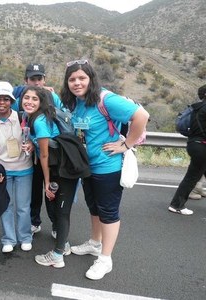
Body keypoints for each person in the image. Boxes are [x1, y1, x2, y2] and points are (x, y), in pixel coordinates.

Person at [61, 59, 149, 280]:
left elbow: (141, 116)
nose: (77, 83)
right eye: (72, 79)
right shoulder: (77, 102)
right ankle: (94, 243)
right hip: (88, 167)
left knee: (108, 212)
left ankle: (105, 259)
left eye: (82, 78)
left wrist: (126, 143)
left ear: (91, 79)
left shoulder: (105, 99)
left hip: (107, 167)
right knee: (94, 207)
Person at [20, 86, 80, 268]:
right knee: (53, 206)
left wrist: (46, 182)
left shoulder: (39, 120)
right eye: (26, 98)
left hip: (62, 169)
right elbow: (39, 143)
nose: (29, 102)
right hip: (57, 167)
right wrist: (31, 141)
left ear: (41, 102)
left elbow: (44, 155)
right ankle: (63, 244)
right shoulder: (35, 117)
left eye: (34, 99)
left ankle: (58, 254)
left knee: (61, 210)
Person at [13, 63, 62, 238]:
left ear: (44, 79)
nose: (36, 82)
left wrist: (39, 142)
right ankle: (34, 222)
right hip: (33, 154)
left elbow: (61, 121)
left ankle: (57, 226)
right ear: (26, 80)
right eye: (32, 79)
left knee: (50, 191)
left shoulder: (52, 97)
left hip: (50, 155)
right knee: (34, 191)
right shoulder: (22, 98)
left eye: (39, 78)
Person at [0, 81, 34, 253]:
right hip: (3, 170)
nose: (2, 103)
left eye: (6, 99)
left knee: (23, 206)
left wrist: (32, 146)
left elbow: (32, 138)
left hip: (24, 169)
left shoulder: (23, 117)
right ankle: (8, 239)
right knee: (6, 206)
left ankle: (25, 237)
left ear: (12, 101)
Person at [169, 84, 206, 215]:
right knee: (192, 177)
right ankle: (176, 205)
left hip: (194, 144)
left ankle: (176, 204)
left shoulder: (195, 108)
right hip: (202, 147)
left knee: (194, 175)